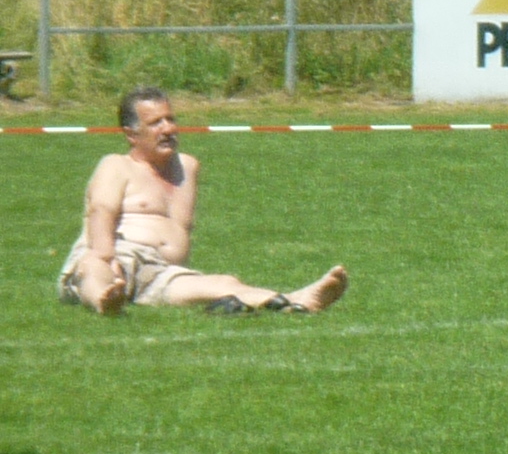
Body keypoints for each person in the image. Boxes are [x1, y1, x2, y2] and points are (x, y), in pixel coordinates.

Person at [57, 90, 346, 315]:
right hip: (116, 256)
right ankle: (103, 300)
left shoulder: (186, 167)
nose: (168, 128)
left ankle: (296, 299)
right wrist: (109, 260)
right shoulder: (116, 165)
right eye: (156, 123)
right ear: (131, 134)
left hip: (159, 273)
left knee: (224, 284)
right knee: (92, 270)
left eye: (170, 119)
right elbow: (101, 213)